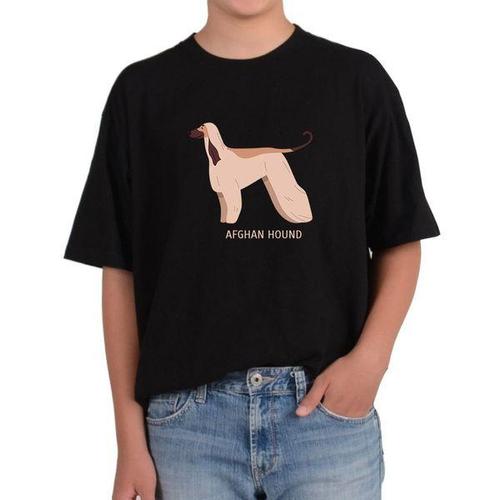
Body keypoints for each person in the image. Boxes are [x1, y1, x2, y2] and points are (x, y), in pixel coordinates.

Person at [64, 0, 440, 498]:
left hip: (325, 418)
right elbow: (120, 272)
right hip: (185, 429)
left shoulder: (357, 82)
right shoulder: (141, 93)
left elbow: (400, 240)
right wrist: (128, 439)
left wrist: (370, 362)